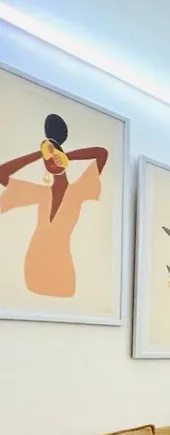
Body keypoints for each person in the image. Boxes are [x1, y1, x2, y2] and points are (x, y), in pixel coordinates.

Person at [0, 113, 109, 298]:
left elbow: (101, 154)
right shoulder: (41, 193)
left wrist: (66, 156)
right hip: (34, 263)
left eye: (55, 156)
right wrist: (40, 152)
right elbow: (2, 174)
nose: (52, 160)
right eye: (47, 160)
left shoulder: (79, 190)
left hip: (62, 265)